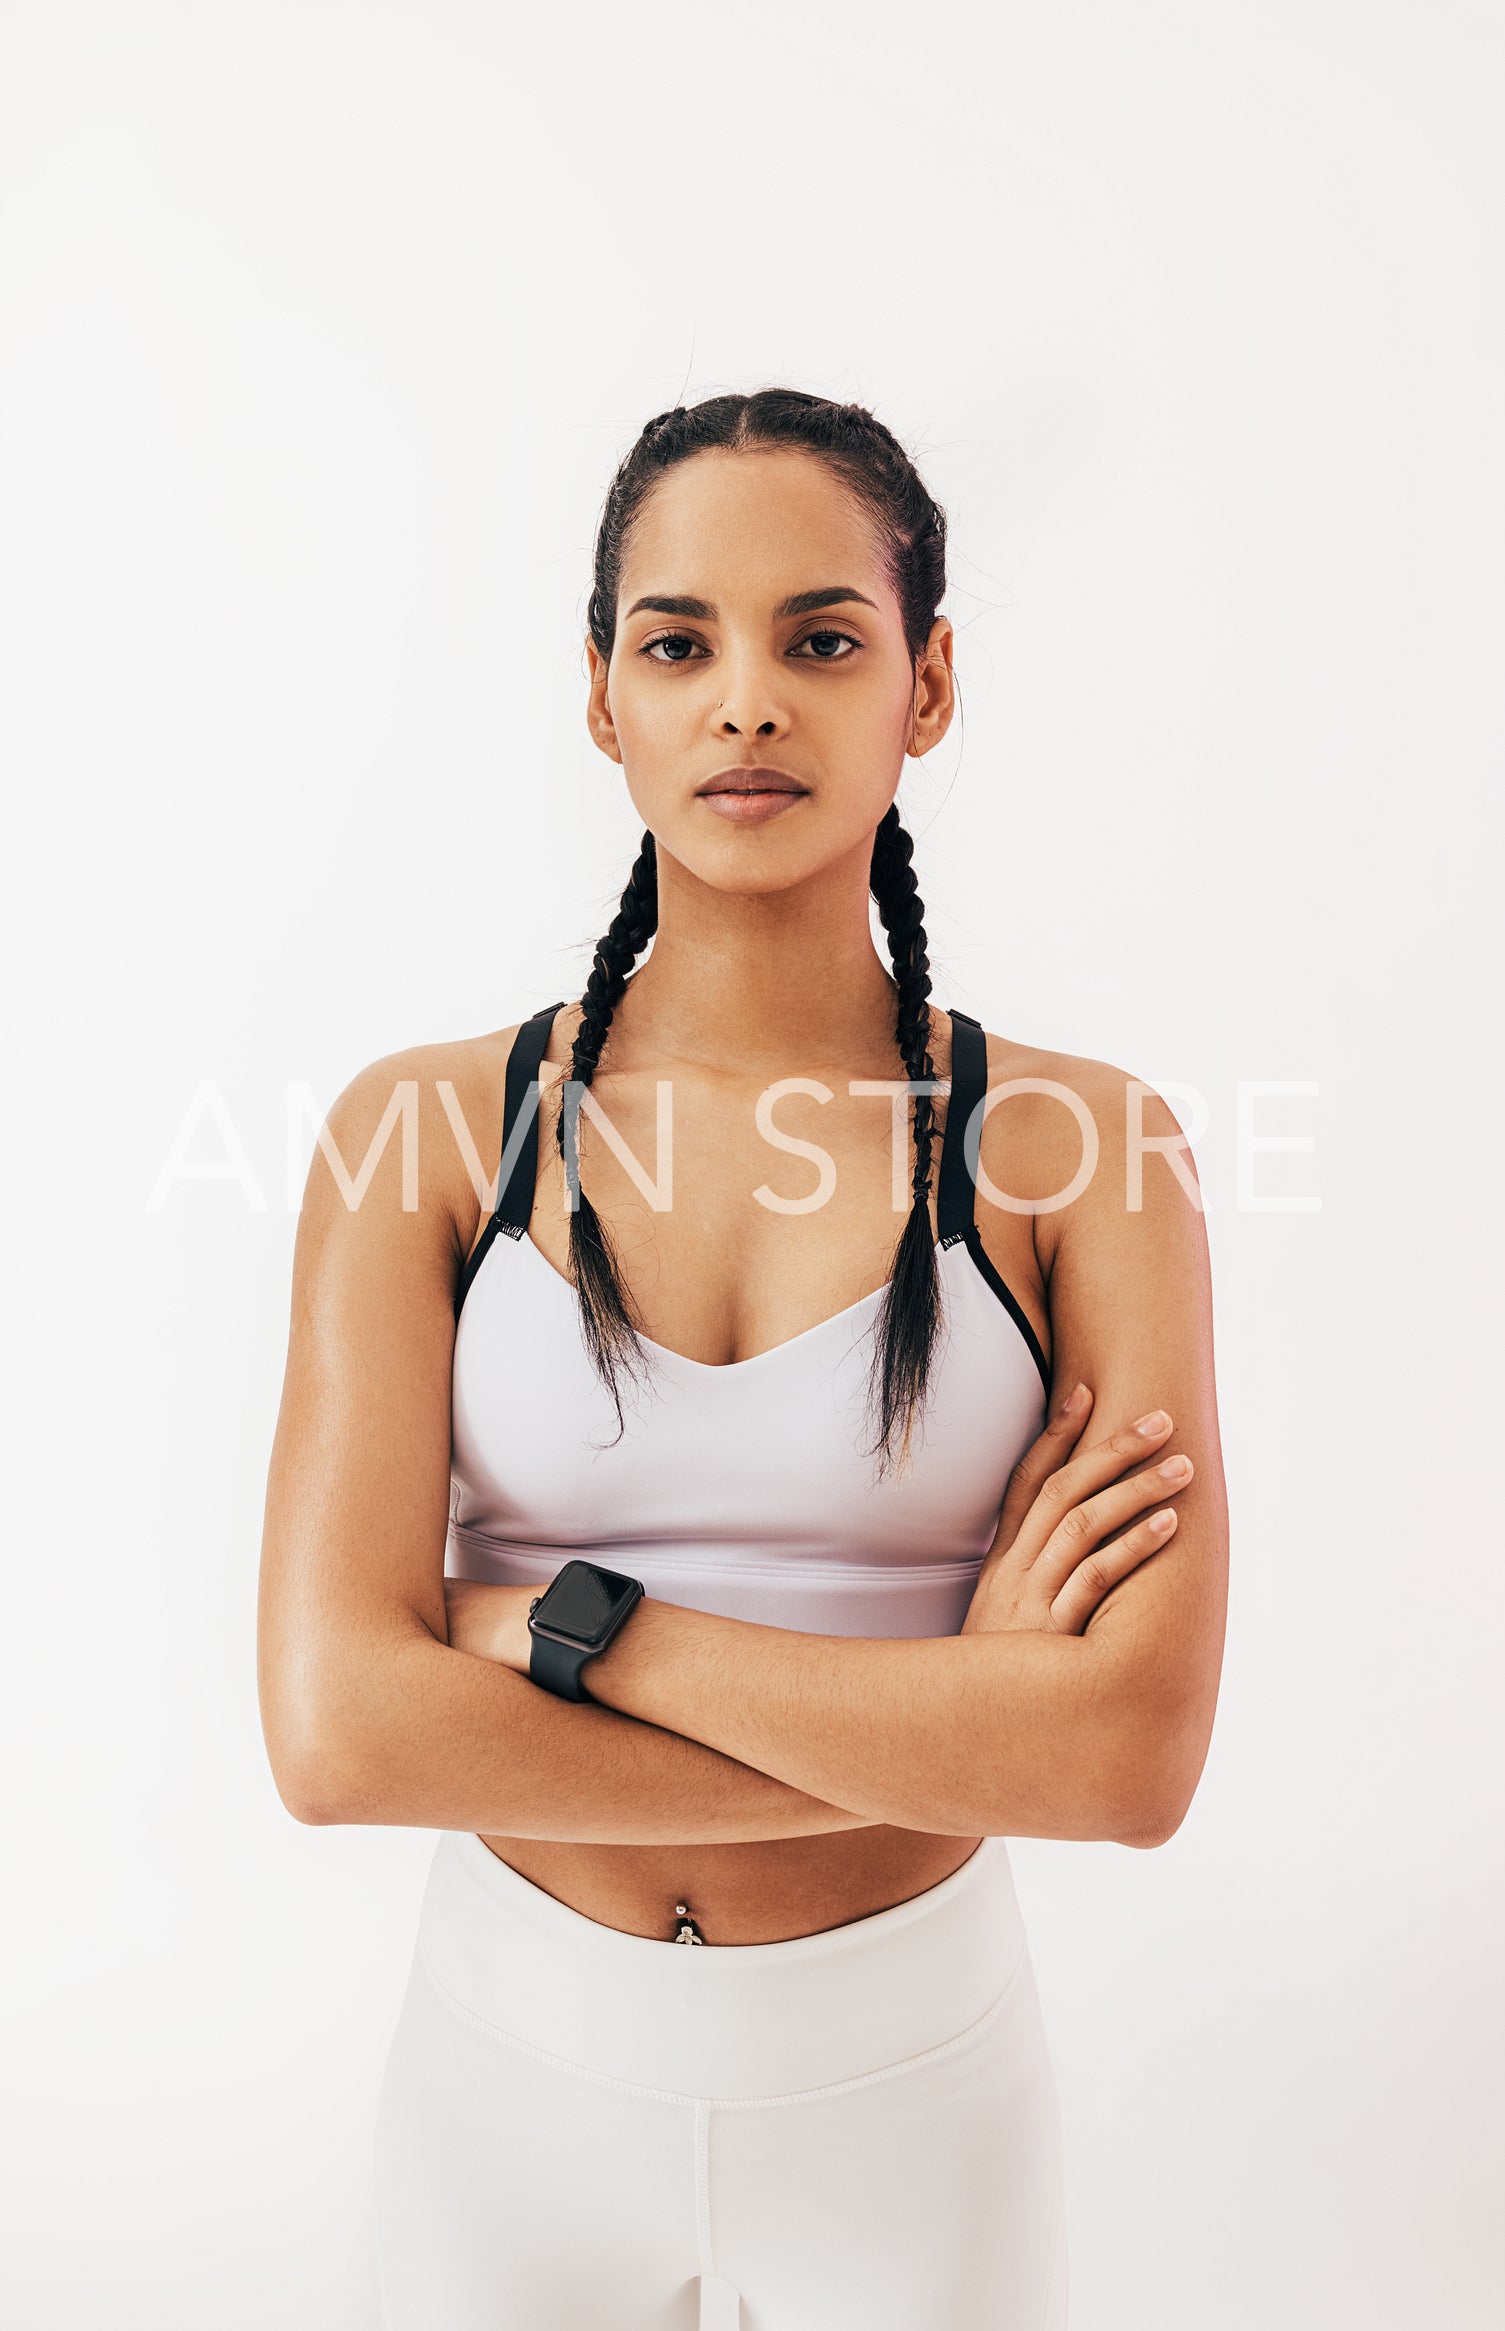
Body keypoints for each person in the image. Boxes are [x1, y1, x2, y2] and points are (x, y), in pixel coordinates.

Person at [258, 387, 1228, 2329]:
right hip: (510, 2069)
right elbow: (340, 1731)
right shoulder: (424, 1133)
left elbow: (1125, 1756)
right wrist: (963, 1713)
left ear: (926, 684)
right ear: (602, 696)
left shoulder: (1083, 1153)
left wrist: (580, 1623)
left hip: (912, 2085)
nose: (750, 700)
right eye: (678, 641)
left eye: (823, 637)